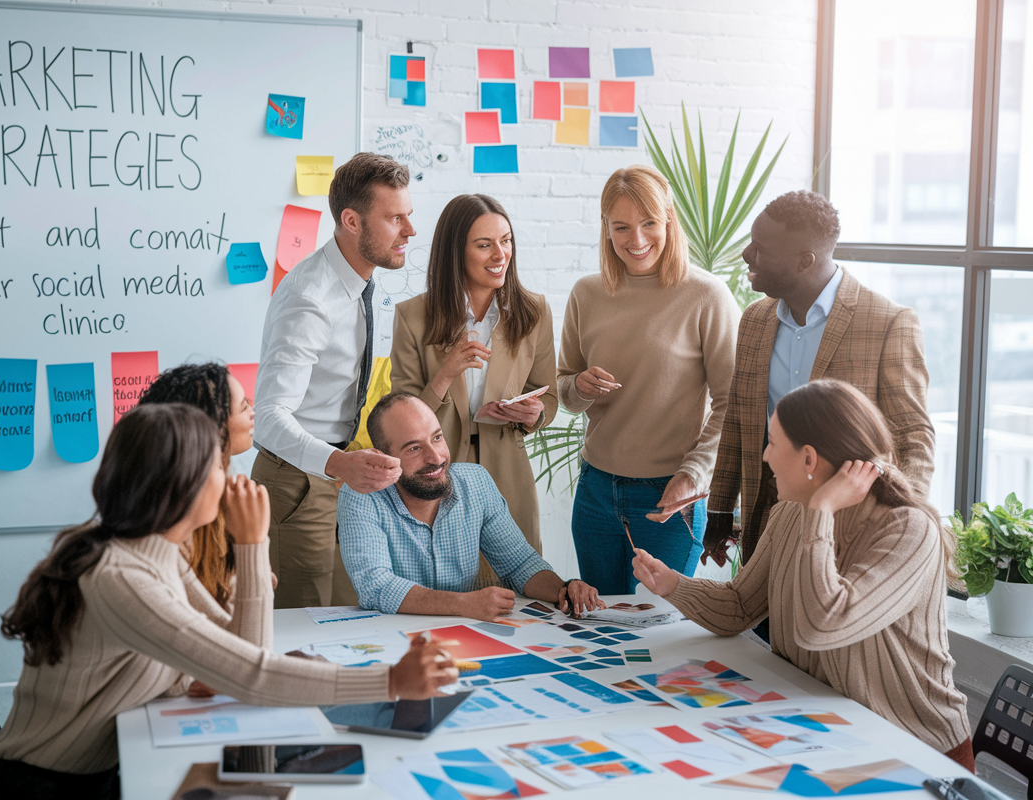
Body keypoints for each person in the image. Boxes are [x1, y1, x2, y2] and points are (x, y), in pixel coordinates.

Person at [0, 404, 456, 800]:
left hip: (96, 769)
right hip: (46, 786)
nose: (231, 478)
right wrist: (391, 680)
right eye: (217, 466)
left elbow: (242, 652)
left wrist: (199, 666)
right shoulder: (119, 574)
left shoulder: (156, 551)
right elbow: (253, 674)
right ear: (180, 484)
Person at [632, 379, 973, 771]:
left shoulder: (908, 531)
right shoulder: (793, 513)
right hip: (834, 734)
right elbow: (741, 606)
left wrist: (822, 510)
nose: (765, 457)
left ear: (809, 459)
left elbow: (822, 627)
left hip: (916, 750)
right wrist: (673, 584)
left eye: (773, 443)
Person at [702, 190, 934, 569]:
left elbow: (913, 435)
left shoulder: (888, 323)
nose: (746, 255)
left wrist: (905, 526)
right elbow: (740, 419)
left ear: (803, 261)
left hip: (848, 531)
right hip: (765, 529)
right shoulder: (754, 320)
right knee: (761, 628)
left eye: (759, 248)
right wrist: (720, 511)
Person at [557, 165, 738, 595]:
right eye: (621, 227)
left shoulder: (706, 296)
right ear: (606, 228)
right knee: (599, 627)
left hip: (669, 497)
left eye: (649, 224)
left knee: (664, 635)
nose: (636, 241)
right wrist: (579, 387)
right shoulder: (587, 293)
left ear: (669, 220)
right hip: (596, 492)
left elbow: (733, 402)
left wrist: (694, 475)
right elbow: (564, 386)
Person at [253, 152, 414, 608]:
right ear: (352, 221)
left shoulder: (361, 284)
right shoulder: (311, 298)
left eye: (409, 216)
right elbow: (267, 418)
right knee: (304, 628)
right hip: (296, 483)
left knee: (352, 616)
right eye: (395, 218)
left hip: (339, 475)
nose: (410, 231)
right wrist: (340, 466)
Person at [390, 194, 557, 587]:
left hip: (508, 472)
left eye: (506, 240)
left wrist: (535, 414)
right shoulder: (413, 317)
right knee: (440, 589)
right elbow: (399, 415)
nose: (500, 254)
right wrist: (445, 374)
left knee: (518, 591)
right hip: (437, 473)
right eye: (484, 245)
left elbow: (546, 395)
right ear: (455, 253)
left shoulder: (535, 312)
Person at [337, 392, 604, 619]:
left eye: (437, 438)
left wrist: (564, 589)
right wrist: (463, 604)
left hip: (466, 639)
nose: (436, 457)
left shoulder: (476, 482)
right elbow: (375, 586)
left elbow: (519, 564)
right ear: (384, 458)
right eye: (414, 449)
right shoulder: (360, 495)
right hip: (395, 644)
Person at [137, 362, 255, 610]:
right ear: (213, 427)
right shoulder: (172, 525)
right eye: (244, 406)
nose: (253, 411)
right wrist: (254, 556)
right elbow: (236, 637)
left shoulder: (219, 501)